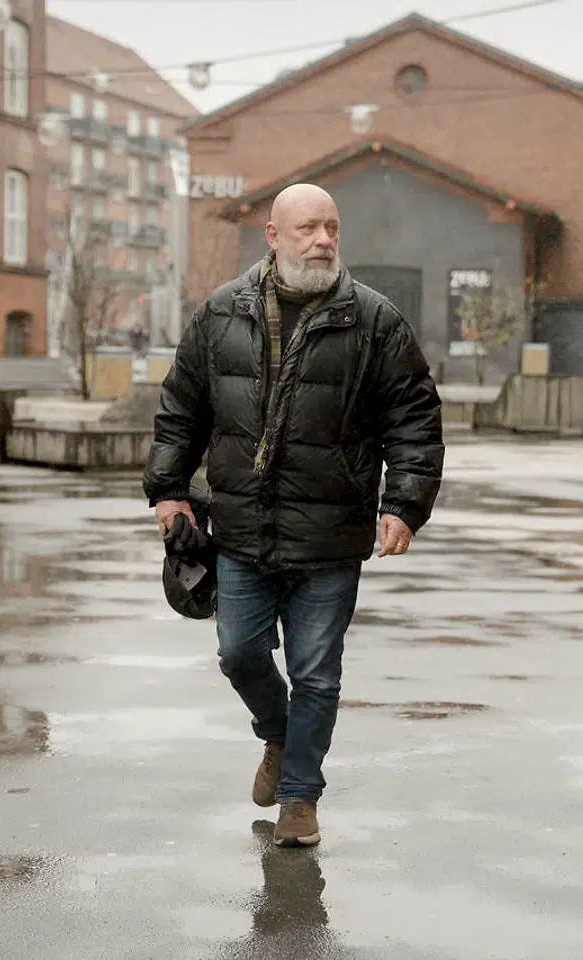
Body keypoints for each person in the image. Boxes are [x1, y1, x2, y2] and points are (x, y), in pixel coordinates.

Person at [143, 182, 444, 848]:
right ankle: (277, 737)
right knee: (238, 653)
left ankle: (300, 798)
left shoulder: (375, 320)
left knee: (316, 671)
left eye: (332, 227)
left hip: (332, 536)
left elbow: (414, 418)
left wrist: (404, 505)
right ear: (273, 237)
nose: (324, 240)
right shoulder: (221, 313)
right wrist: (167, 489)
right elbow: (182, 407)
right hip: (243, 530)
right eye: (308, 228)